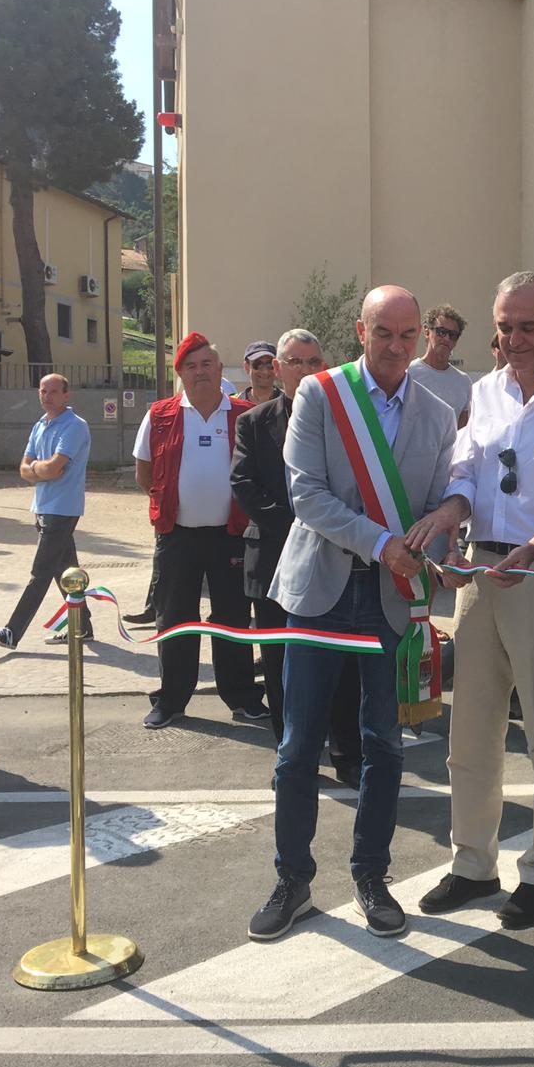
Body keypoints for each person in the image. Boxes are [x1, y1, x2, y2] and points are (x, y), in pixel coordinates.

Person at [246, 287, 456, 942]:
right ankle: (293, 879)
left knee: (384, 744)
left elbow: (443, 500)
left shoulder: (439, 413)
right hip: (322, 588)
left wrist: (430, 548)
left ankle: (371, 874)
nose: (396, 347)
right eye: (383, 333)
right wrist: (380, 543)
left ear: (420, 337)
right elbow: (303, 492)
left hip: (393, 599)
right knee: (296, 746)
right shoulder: (321, 394)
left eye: (408, 334)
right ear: (361, 332)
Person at [406, 271, 534, 930]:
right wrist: (449, 514)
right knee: (471, 730)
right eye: (504, 327)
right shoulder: (484, 392)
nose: (515, 339)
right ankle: (473, 863)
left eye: (527, 326)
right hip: (482, 572)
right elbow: (466, 470)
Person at [229, 329, 362, 776]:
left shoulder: (347, 421)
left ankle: (347, 754)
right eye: (295, 362)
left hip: (335, 556)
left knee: (341, 662)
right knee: (280, 661)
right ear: (277, 369)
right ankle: (292, 758)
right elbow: (243, 485)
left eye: (314, 361)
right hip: (272, 558)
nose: (306, 371)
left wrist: (327, 525)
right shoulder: (254, 420)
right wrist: (304, 523)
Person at [134, 332, 269, 729]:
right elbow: (145, 472)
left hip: (232, 536)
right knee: (174, 618)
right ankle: (172, 699)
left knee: (232, 619)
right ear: (181, 375)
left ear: (219, 368)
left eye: (207, 364)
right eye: (190, 366)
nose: (200, 372)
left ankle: (243, 698)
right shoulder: (159, 415)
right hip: (177, 537)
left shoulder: (244, 414)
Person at [0, 373, 94, 650]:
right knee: (64, 571)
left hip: (62, 509)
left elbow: (55, 468)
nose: (47, 396)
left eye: (54, 392)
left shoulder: (75, 426)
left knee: (40, 573)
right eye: (43, 391)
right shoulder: (40, 425)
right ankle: (83, 627)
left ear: (66, 396)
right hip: (42, 507)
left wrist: (37, 470)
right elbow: (25, 468)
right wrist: (37, 470)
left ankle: (11, 632)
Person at [409, 305, 473, 426]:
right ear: (427, 332)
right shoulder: (408, 373)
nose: (447, 338)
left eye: (453, 335)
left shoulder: (463, 382)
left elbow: (462, 430)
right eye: (441, 332)